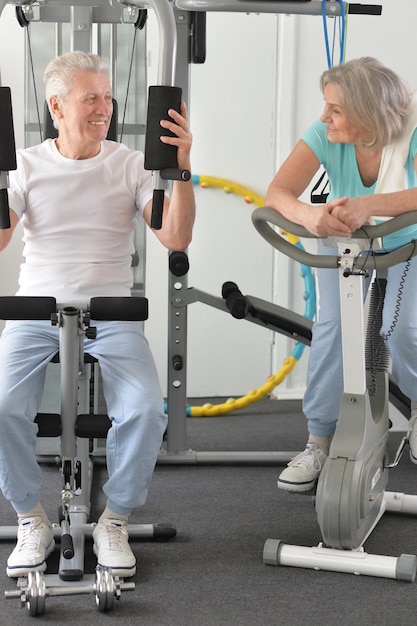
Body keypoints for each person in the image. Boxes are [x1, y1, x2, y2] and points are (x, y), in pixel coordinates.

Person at [0, 51, 195, 578]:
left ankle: (115, 519)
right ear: (56, 106)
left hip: (111, 313)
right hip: (34, 310)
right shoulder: (25, 164)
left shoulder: (130, 164)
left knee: (144, 411)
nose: (104, 108)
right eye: (92, 98)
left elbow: (174, 236)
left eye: (108, 97)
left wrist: (181, 171)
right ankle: (29, 517)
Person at [265, 57, 417, 492]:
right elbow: (278, 194)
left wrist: (370, 205)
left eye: (335, 109)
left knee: (399, 331)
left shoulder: (410, 133)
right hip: (341, 241)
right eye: (325, 106)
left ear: (369, 114)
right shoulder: (323, 135)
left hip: (403, 239)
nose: (324, 117)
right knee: (331, 329)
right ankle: (318, 440)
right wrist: (309, 217)